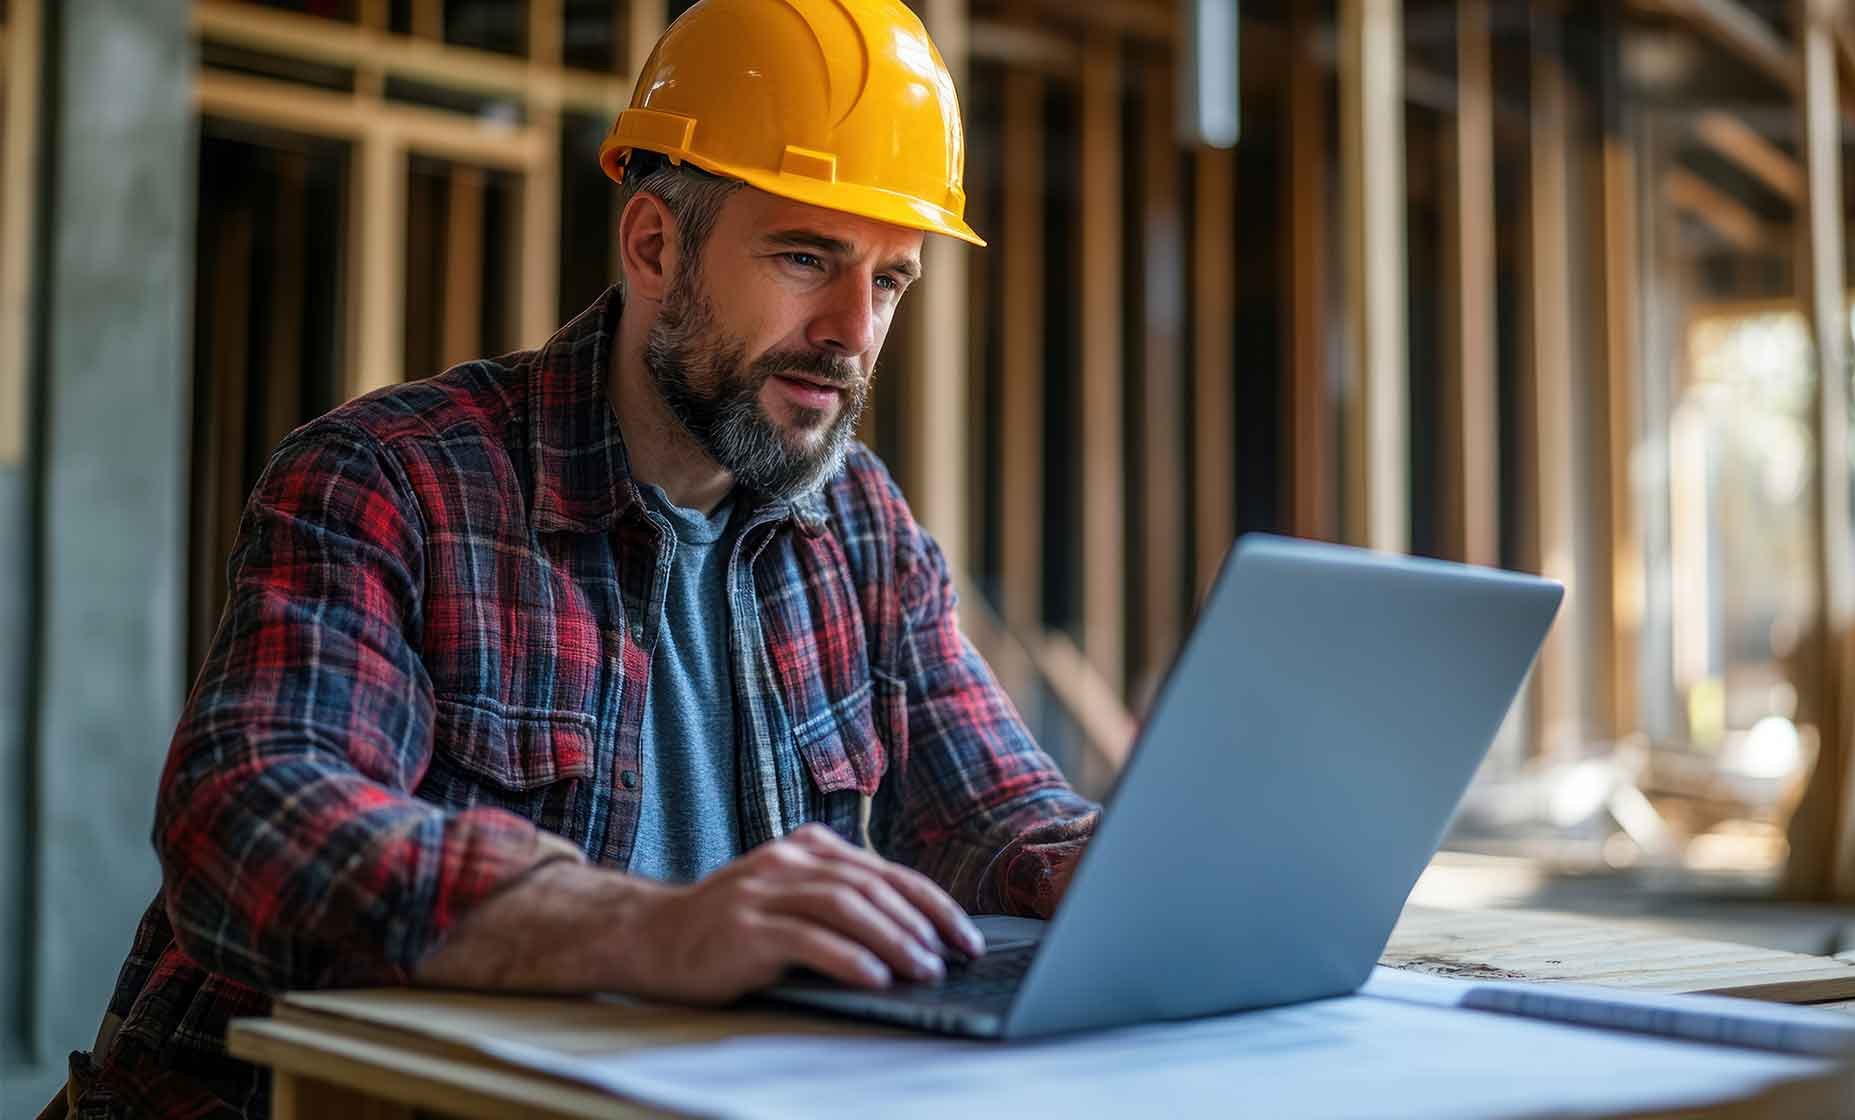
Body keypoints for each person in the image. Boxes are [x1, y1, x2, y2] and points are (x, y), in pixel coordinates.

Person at [55, 1, 1099, 1115]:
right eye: (807, 256)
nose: (854, 331)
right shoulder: (393, 477)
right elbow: (251, 819)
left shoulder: (862, 530)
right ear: (655, 243)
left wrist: (1112, 867)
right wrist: (645, 925)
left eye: (890, 279)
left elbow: (993, 814)